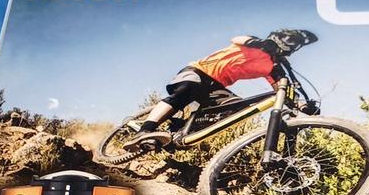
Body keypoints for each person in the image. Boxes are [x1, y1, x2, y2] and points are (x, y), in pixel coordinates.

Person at [121, 29, 319, 151]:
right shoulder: (254, 43)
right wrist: (260, 43)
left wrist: (301, 105)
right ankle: (145, 130)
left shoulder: (273, 67)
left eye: (296, 44)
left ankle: (180, 131)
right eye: (292, 41)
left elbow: (282, 89)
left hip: (217, 86)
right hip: (199, 72)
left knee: (235, 108)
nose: (293, 46)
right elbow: (238, 38)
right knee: (186, 90)